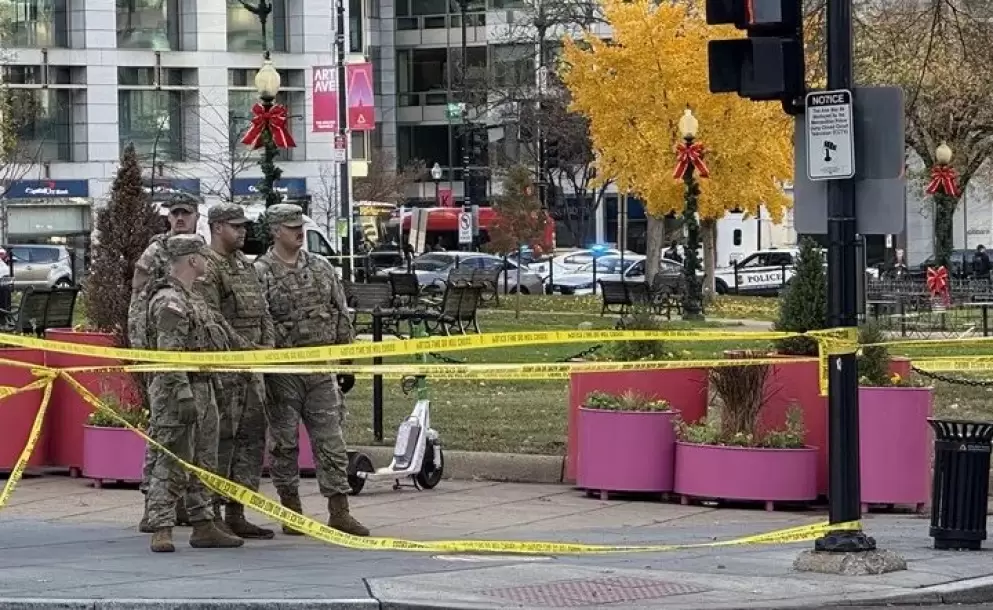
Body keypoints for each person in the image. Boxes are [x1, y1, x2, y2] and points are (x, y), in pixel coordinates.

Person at [254, 204, 369, 537]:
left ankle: (339, 510)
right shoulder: (261, 272)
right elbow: (259, 324)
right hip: (283, 374)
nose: (298, 232)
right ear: (275, 230)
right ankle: (291, 511)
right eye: (291, 227)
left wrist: (346, 359)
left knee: (331, 441)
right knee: (284, 445)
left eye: (299, 225)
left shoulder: (320, 268)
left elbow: (339, 312)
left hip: (320, 372)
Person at [140, 234, 244, 553]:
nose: (207, 261)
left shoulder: (194, 296)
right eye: (202, 255)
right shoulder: (170, 299)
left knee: (204, 460)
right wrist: (183, 394)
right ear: (192, 260)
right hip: (176, 391)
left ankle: (203, 524)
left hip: (203, 387)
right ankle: (161, 525)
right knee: (172, 458)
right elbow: (169, 353)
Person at [194, 203, 275, 540]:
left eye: (244, 227)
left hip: (252, 370)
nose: (243, 232)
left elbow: (263, 310)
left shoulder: (245, 266)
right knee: (219, 442)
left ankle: (237, 511)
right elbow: (213, 320)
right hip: (225, 371)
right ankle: (210, 515)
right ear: (216, 227)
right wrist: (248, 348)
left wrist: (267, 346)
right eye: (236, 226)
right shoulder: (206, 267)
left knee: (251, 441)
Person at [131, 193, 200, 533]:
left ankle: (184, 504)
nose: (180, 219)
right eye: (175, 214)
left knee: (190, 436)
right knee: (164, 430)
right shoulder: (156, 252)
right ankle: (153, 504)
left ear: (196, 216)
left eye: (186, 213)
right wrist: (145, 353)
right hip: (162, 351)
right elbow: (139, 301)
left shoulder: (201, 253)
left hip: (195, 355)